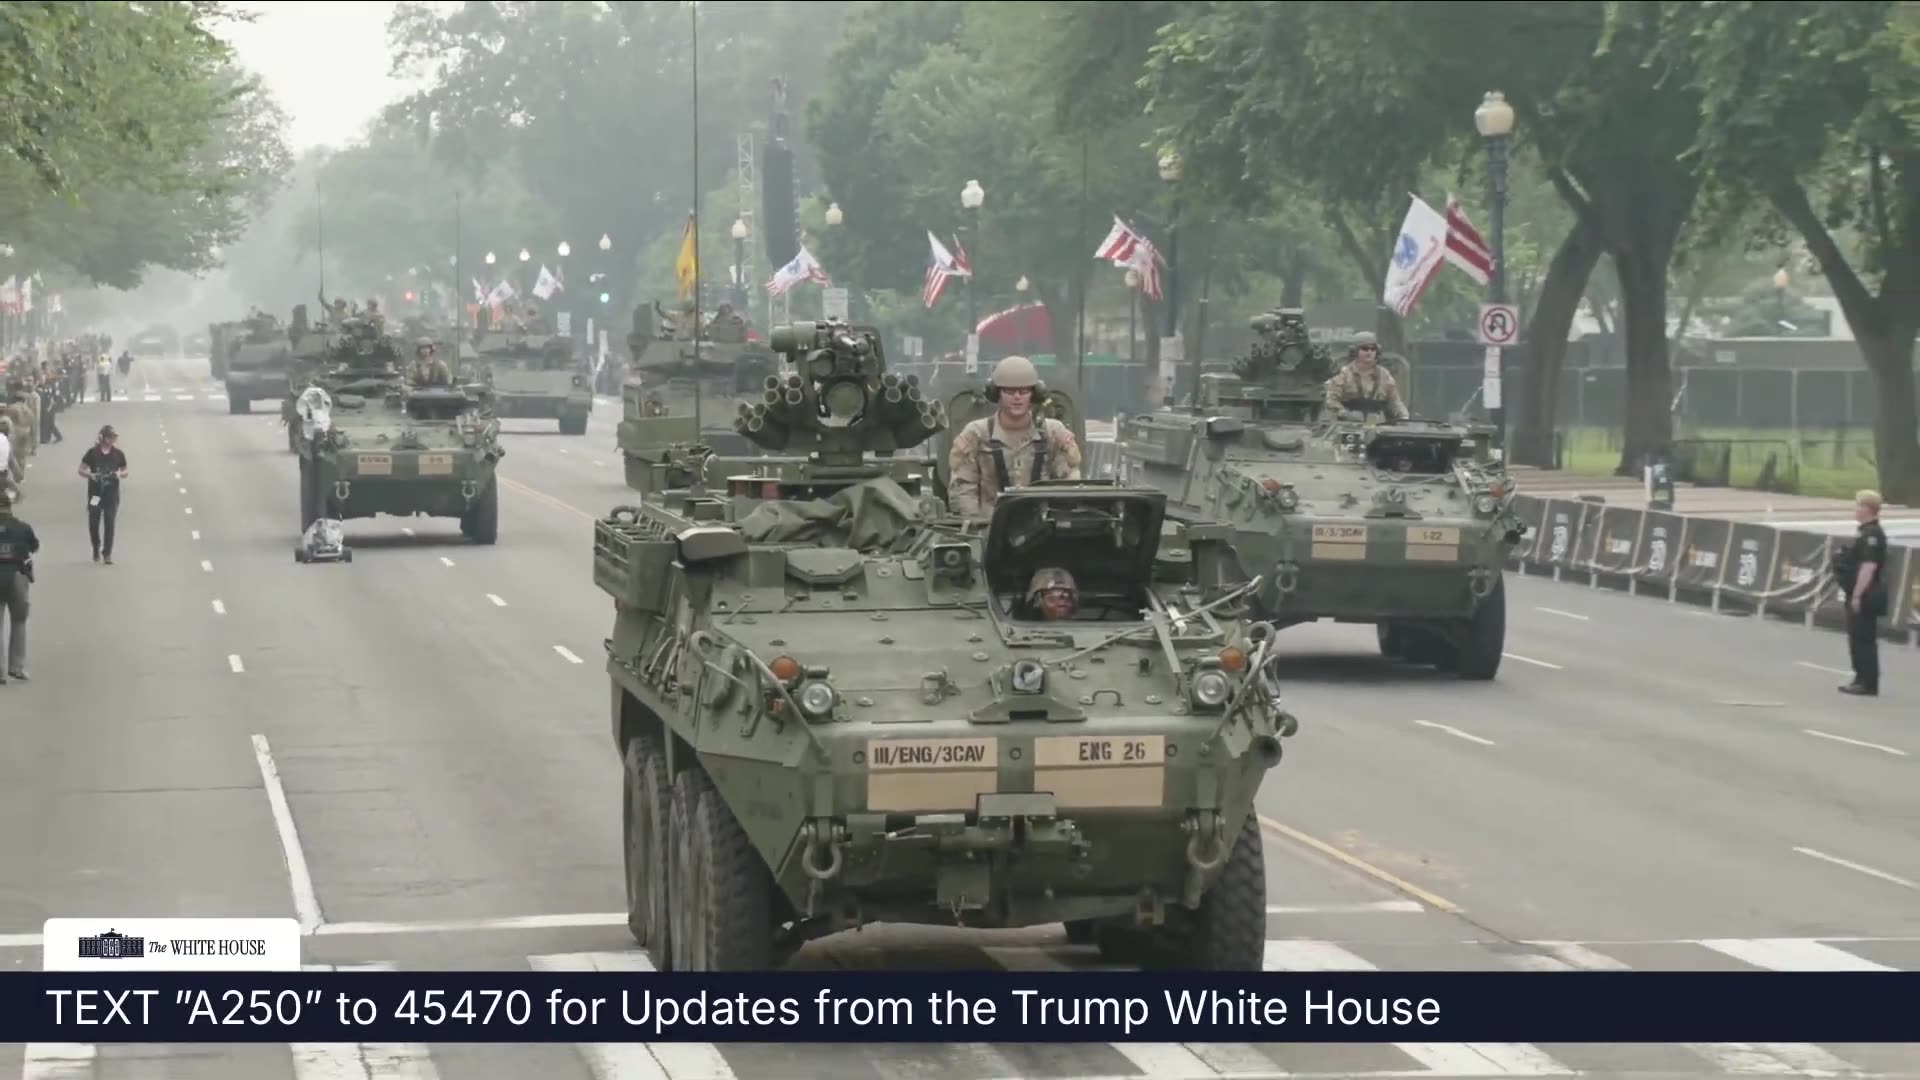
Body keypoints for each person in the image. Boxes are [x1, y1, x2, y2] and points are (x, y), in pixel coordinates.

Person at [947, 355, 1083, 519]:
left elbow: (1068, 483)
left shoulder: (1052, 432)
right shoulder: (976, 433)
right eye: (1009, 391)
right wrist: (976, 527)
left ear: (1034, 394)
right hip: (990, 527)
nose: (1017, 397)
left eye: (1024, 391)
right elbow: (963, 487)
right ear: (996, 393)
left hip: (1043, 528)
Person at [1836, 489, 1889, 697]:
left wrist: (1857, 595)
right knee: (1856, 636)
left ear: (1867, 509)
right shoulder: (1864, 532)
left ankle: (1867, 681)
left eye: (1858, 506)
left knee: (1862, 638)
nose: (1855, 510)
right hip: (1864, 591)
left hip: (1868, 592)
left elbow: (1868, 567)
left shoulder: (1872, 535)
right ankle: (1861, 677)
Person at [1322, 332, 1409, 421]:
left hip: (1379, 426)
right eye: (1365, 348)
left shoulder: (1384, 375)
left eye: (1373, 349)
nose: (1369, 352)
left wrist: (1404, 417)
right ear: (1355, 351)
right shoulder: (1344, 374)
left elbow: (1395, 403)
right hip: (1349, 427)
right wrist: (1345, 413)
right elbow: (1331, 401)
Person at [78, 424, 128, 564]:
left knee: (110, 522)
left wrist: (118, 474)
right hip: (95, 494)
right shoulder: (92, 453)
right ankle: (95, 546)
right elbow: (81, 470)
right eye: (110, 437)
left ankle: (107, 552)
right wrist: (91, 475)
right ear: (103, 438)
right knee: (93, 520)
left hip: (111, 494)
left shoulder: (118, 454)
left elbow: (125, 471)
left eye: (113, 437)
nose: (112, 440)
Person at [0, 486, 35, 683]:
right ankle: (16, 667)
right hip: (16, 576)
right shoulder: (22, 528)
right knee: (19, 622)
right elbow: (34, 546)